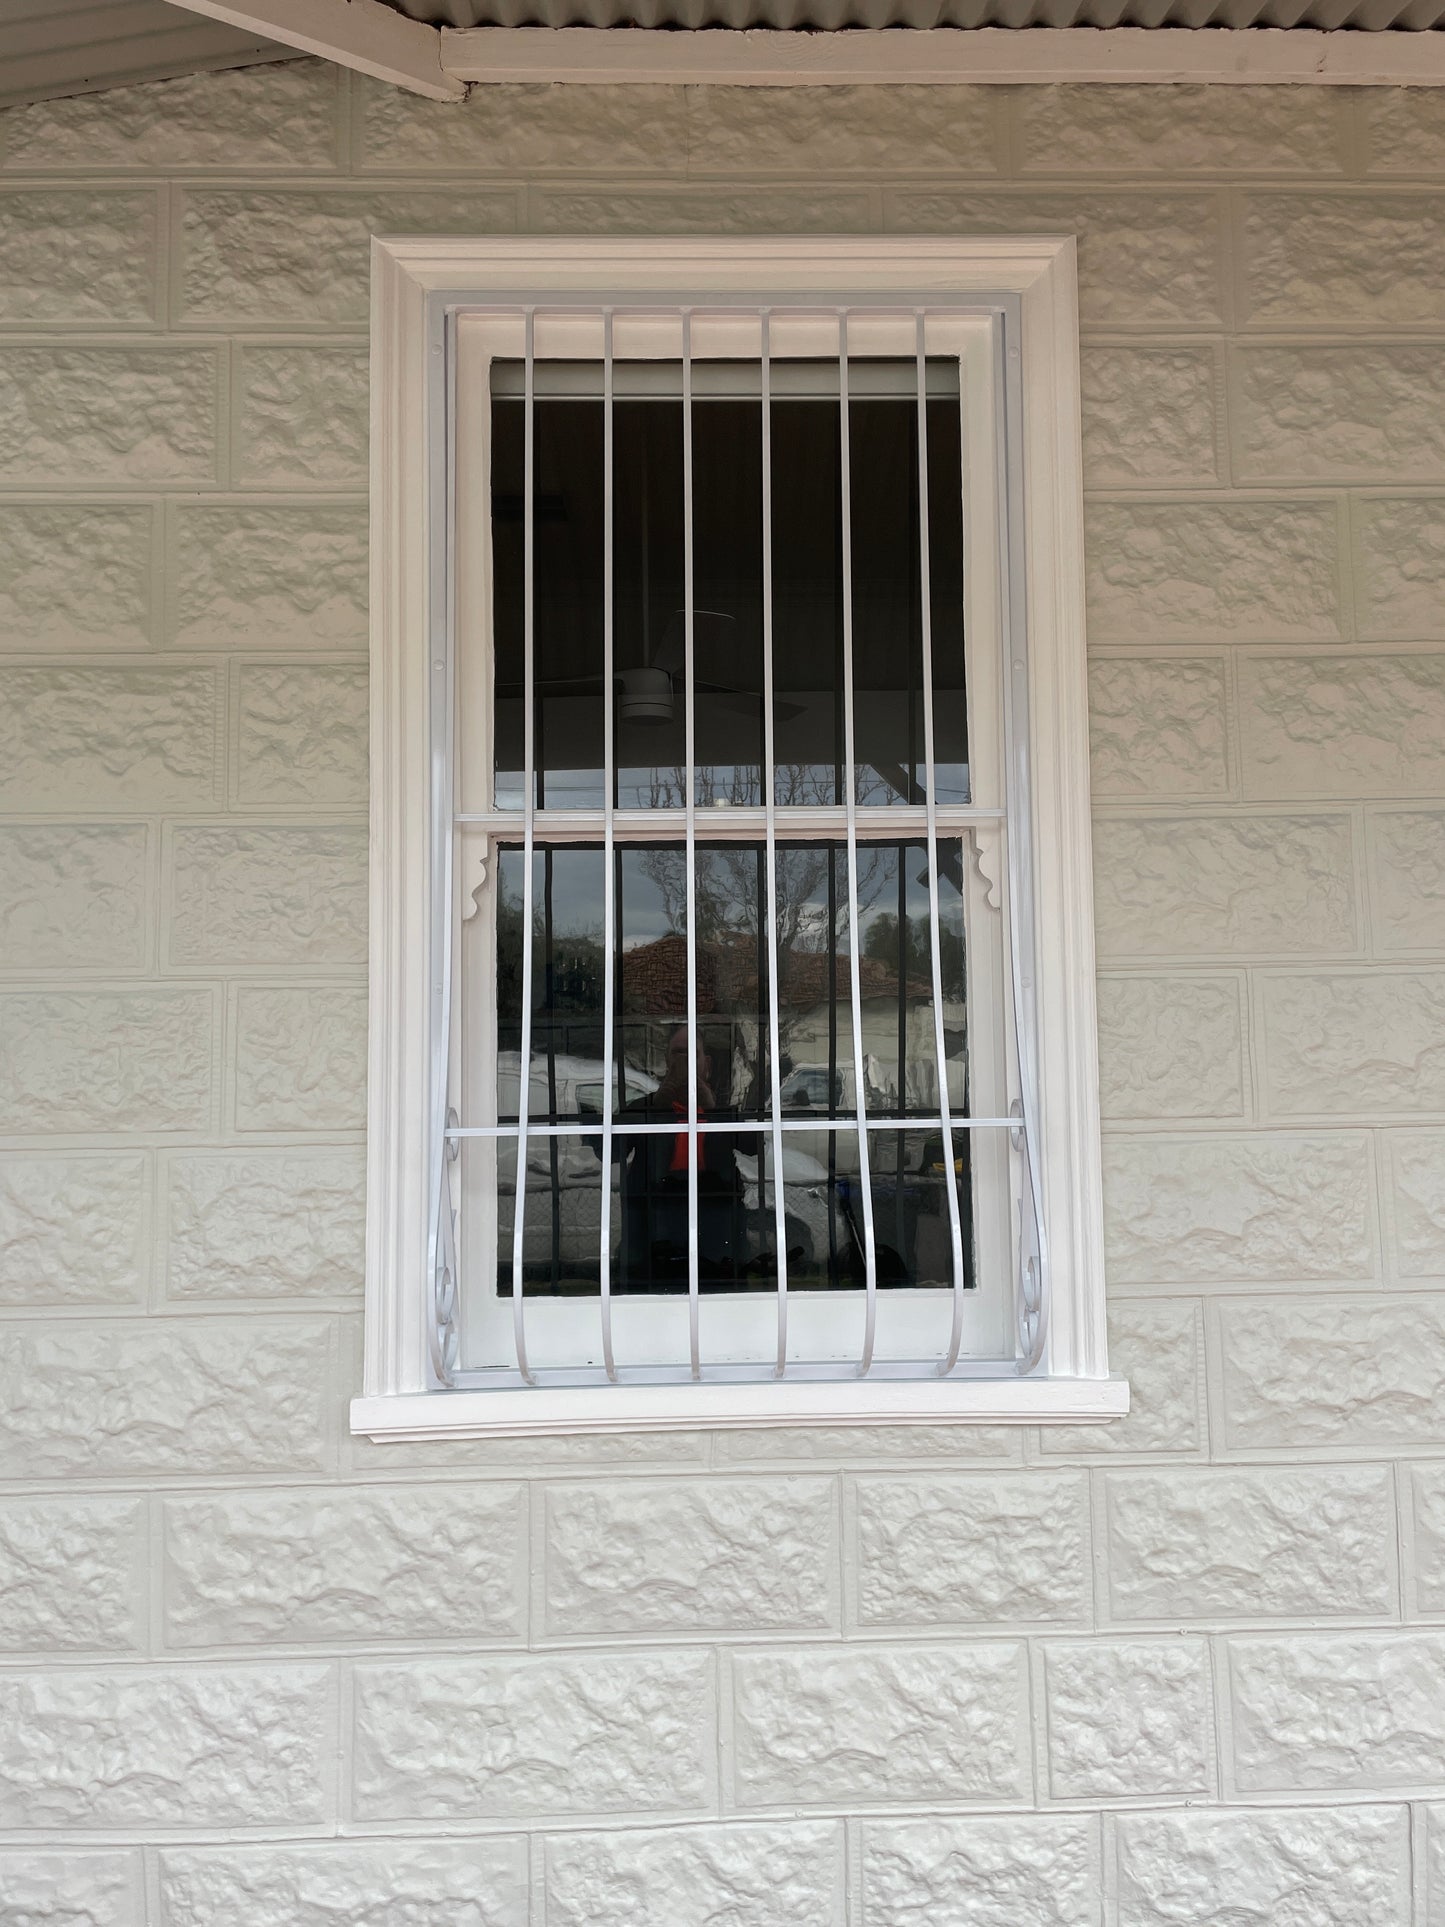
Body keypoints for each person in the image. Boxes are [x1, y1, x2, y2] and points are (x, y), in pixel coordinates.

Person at [608, 1026, 748, 1292]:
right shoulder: (644, 1107)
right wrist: (656, 1108)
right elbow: (609, 1152)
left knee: (720, 1294)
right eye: (678, 1053)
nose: (684, 1061)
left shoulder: (722, 1109)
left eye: (692, 1055)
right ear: (667, 1061)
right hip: (654, 1216)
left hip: (715, 1216)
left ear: (706, 1064)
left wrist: (712, 1111)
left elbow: (754, 1147)